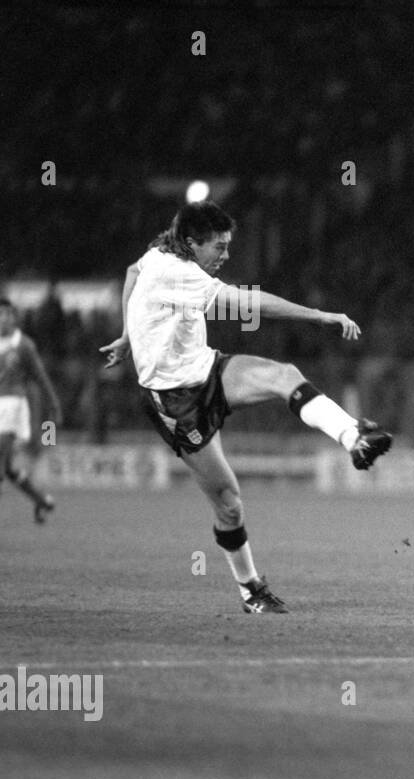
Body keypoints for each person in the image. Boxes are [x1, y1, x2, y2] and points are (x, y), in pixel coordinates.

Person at [100, 200, 392, 614]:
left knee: (282, 374)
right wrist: (318, 315)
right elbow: (249, 304)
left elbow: (132, 272)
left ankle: (354, 437)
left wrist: (127, 334)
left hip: (207, 370)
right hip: (176, 403)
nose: (226, 255)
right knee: (229, 503)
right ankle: (251, 589)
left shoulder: (160, 254)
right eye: (218, 247)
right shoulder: (177, 272)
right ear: (191, 243)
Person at [0, 299, 60, 523]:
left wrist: (46, 435)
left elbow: (46, 416)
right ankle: (42, 501)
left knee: (28, 463)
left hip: (16, 414)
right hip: (26, 426)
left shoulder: (24, 348)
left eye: (7, 314)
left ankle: (42, 495)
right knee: (9, 469)